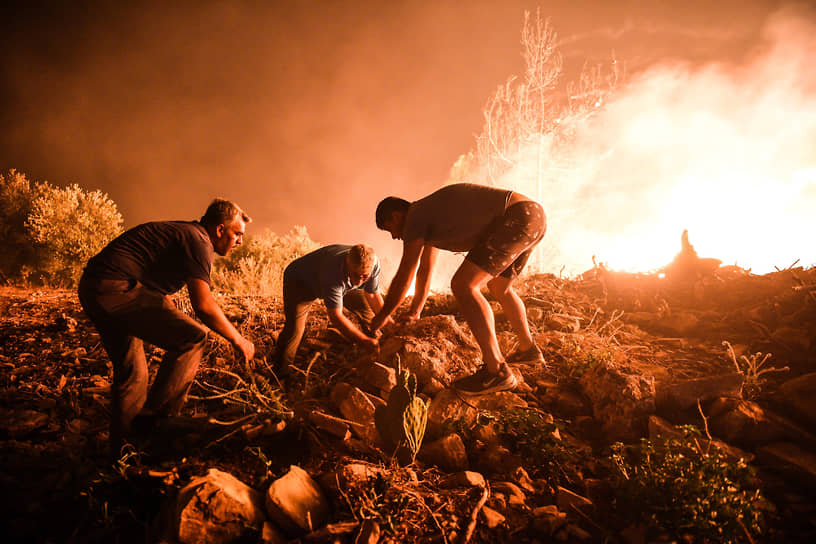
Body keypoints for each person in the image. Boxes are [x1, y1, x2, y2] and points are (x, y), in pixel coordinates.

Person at [77, 198, 255, 455]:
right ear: (219, 229)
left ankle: (124, 453)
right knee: (193, 338)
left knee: (134, 374)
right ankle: (157, 425)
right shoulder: (200, 241)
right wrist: (239, 339)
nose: (240, 241)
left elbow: (156, 290)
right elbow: (203, 305)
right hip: (116, 288)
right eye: (237, 233)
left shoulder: (185, 234)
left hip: (96, 288)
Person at [370, 183, 546, 395]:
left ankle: (497, 371)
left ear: (396, 216)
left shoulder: (415, 218)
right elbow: (424, 270)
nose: (395, 237)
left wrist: (383, 314)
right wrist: (415, 311)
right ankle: (529, 350)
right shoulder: (429, 217)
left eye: (390, 230)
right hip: (533, 216)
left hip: (516, 217)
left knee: (464, 285)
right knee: (500, 286)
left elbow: (406, 270)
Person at [273, 243, 390, 371]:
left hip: (341, 282)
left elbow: (372, 295)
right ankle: (280, 374)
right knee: (295, 329)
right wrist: (363, 340)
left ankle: (379, 344)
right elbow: (336, 316)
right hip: (300, 282)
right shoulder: (332, 272)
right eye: (356, 275)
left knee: (364, 305)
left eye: (365, 277)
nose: (359, 281)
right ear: (348, 264)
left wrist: (390, 324)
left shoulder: (372, 263)